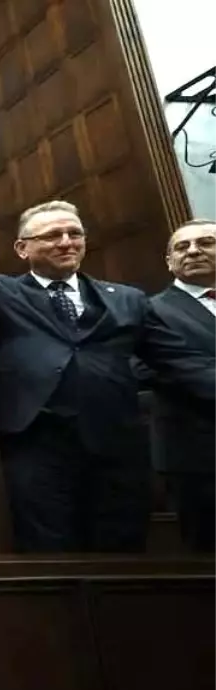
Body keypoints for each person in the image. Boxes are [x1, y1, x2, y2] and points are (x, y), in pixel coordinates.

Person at [0, 197, 216, 552]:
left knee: (121, 544)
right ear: (22, 249)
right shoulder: (2, 292)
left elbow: (180, 361)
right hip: (37, 440)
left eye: (74, 234)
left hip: (115, 441)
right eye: (52, 236)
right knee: (48, 548)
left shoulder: (127, 299)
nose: (66, 242)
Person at [140, 218, 216, 552]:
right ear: (169, 261)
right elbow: (142, 367)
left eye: (206, 242)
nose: (193, 251)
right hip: (199, 454)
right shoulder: (148, 310)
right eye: (182, 247)